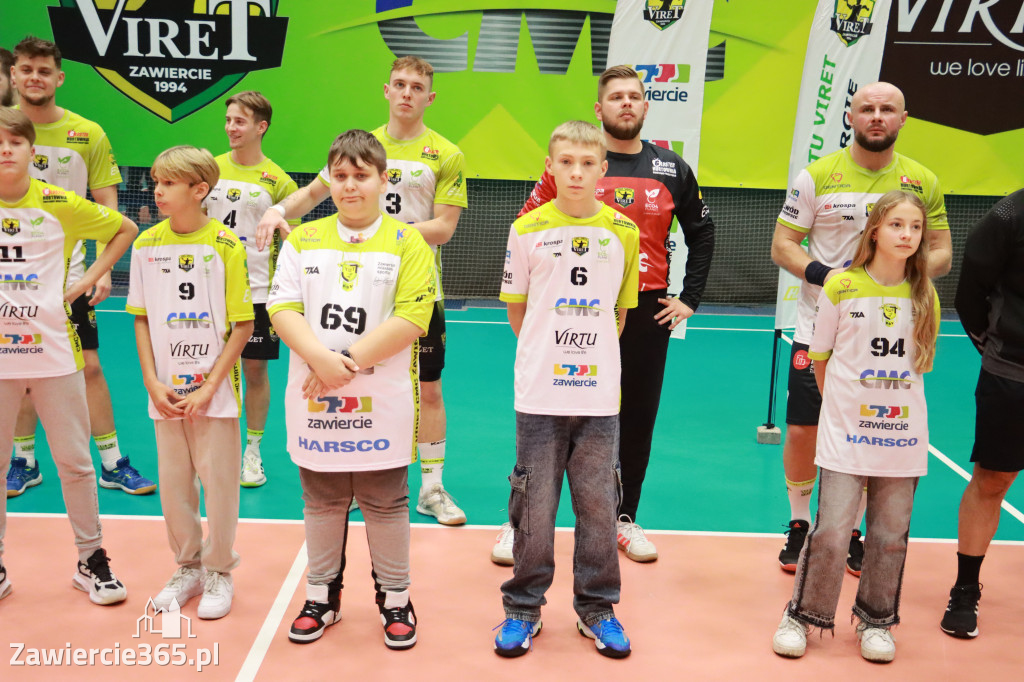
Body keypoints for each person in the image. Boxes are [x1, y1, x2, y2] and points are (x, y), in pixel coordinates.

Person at [495, 65, 715, 565]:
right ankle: (520, 523)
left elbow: (702, 232)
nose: (626, 104)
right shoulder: (575, 164)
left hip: (644, 309)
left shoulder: (671, 169)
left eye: (634, 96)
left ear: (645, 105)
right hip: (568, 313)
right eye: (616, 97)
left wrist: (690, 298)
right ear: (600, 109)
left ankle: (623, 515)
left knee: (634, 415)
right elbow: (526, 228)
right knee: (543, 415)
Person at [255, 56, 467, 525]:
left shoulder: (446, 153)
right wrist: (276, 210)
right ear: (386, 90)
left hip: (413, 289)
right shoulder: (362, 149)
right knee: (344, 376)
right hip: (351, 289)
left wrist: (389, 233)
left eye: (416, 86)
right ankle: (351, 474)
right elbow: (311, 194)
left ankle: (431, 486)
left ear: (429, 97)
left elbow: (445, 226)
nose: (407, 92)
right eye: (399, 84)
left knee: (427, 388)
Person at [770, 81, 952, 574]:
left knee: (872, 429)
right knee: (804, 428)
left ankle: (851, 529)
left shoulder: (923, 181)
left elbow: (941, 251)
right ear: (850, 117)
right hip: (820, 327)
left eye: (887, 109)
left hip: (888, 336)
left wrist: (895, 281)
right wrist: (834, 283)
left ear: (903, 118)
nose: (876, 116)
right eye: (866, 108)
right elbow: (784, 244)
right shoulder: (817, 175)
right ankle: (800, 522)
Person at [268, 130, 434, 649]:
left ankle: (396, 598)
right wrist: (321, 360)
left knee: (386, 500)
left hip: (378, 399)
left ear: (383, 180)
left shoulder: (408, 242)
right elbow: (282, 308)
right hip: (315, 393)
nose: (349, 185)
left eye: (361, 175)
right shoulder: (303, 240)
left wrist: (347, 363)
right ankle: (322, 594)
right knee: (321, 499)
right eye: (339, 176)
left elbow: (413, 316)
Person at [771, 191, 940, 663]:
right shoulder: (841, 285)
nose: (906, 235)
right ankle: (802, 616)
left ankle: (876, 620)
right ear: (875, 231)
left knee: (889, 534)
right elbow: (819, 359)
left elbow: (920, 364)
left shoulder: (924, 291)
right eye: (897, 225)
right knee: (832, 529)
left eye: (915, 228)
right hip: (847, 431)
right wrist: (842, 409)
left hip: (903, 436)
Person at [493, 121, 639, 659]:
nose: (576, 172)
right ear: (550, 168)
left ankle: (597, 608)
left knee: (599, 506)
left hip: (599, 396)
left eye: (587, 163)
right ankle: (522, 609)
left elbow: (619, 315)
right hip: (539, 393)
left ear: (603, 168)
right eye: (566, 162)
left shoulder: (623, 231)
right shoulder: (526, 228)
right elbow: (517, 312)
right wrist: (552, 355)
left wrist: (585, 358)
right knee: (533, 504)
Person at [7, 36, 155, 497]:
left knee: (90, 366)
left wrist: (101, 268)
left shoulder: (87, 133)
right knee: (19, 371)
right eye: (27, 69)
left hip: (66, 279)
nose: (35, 77)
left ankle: (112, 462)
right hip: (10, 277)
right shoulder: (2, 130)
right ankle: (23, 461)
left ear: (59, 78)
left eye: (44, 71)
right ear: (14, 74)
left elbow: (108, 204)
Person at [0, 107, 136, 604]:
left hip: (54, 352)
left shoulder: (58, 202)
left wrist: (83, 282)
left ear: (31, 152)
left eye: (13, 142)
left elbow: (125, 228)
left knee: (76, 463)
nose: (4, 149)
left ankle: (91, 560)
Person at [127, 146, 254, 620]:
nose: (156, 190)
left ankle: (220, 570)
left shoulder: (225, 245)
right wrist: (150, 383)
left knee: (218, 484)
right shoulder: (145, 245)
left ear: (199, 190)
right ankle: (189, 567)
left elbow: (242, 325)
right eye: (155, 181)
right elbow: (139, 319)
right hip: (164, 393)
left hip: (213, 393)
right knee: (174, 486)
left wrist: (208, 387)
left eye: (168, 183)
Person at [938, 188, 1024, 640]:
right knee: (992, 480)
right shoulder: (1009, 214)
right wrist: (996, 352)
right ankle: (965, 590)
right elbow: (969, 295)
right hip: (1012, 373)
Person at [203, 91, 298, 487]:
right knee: (207, 368)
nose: (230, 128)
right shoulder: (207, 168)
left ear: (261, 127)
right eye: (227, 120)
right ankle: (212, 448)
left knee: (255, 371)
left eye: (239, 121)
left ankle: (252, 452)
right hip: (209, 286)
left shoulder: (279, 181)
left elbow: (291, 241)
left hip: (257, 290)